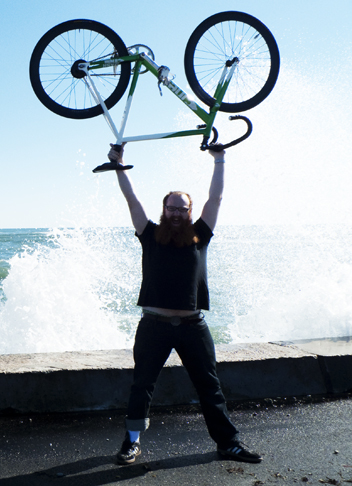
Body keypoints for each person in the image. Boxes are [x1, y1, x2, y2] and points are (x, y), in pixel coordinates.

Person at [106, 143, 262, 465]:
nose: (176, 213)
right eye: (171, 208)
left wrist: (219, 160)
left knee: (209, 386)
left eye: (182, 209)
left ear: (189, 211)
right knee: (142, 386)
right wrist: (120, 166)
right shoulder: (148, 233)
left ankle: (228, 444)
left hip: (193, 326)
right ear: (164, 210)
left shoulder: (200, 234)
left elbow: (215, 198)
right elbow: (131, 199)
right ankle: (131, 443)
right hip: (154, 325)